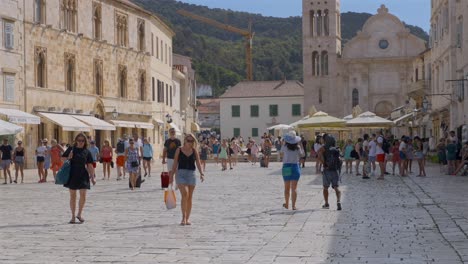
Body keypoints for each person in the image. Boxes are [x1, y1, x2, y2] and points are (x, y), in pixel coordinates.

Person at [169, 134, 205, 225]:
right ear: (185, 141)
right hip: (181, 174)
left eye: (191, 141)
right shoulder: (179, 150)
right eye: (188, 141)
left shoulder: (194, 151)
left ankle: (187, 218)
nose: (190, 143)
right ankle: (183, 218)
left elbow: (198, 162)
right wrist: (171, 176)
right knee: (185, 194)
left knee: (190, 197)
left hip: (191, 174)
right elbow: (175, 164)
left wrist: (201, 173)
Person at [62, 133, 96, 224]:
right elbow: (63, 159)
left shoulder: (86, 151)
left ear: (85, 142)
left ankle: (79, 214)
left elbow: (90, 165)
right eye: (79, 140)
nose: (80, 142)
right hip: (72, 174)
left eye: (82, 141)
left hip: (83, 175)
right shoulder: (71, 149)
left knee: (83, 196)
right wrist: (69, 157)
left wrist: (93, 177)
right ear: (76, 140)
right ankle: (72, 216)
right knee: (73, 196)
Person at [280, 131, 305, 210]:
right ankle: (293, 206)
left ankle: (287, 204)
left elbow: (281, 154)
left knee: (286, 188)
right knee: (294, 188)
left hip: (286, 166)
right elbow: (303, 155)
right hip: (295, 167)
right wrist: (301, 145)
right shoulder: (297, 147)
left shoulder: (284, 147)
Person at [319, 134, 342, 210]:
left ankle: (326, 203)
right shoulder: (336, 148)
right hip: (335, 170)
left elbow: (319, 156)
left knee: (325, 188)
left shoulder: (323, 148)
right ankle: (338, 201)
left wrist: (324, 164)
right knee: (336, 187)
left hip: (327, 170)